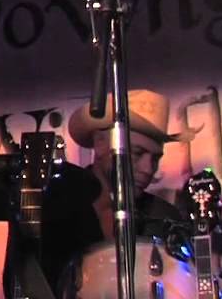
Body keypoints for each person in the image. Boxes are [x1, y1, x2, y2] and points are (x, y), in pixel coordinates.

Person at [39, 89, 191, 294]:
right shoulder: (56, 208)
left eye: (155, 158)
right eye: (137, 153)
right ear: (100, 143)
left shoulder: (164, 217)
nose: (148, 169)